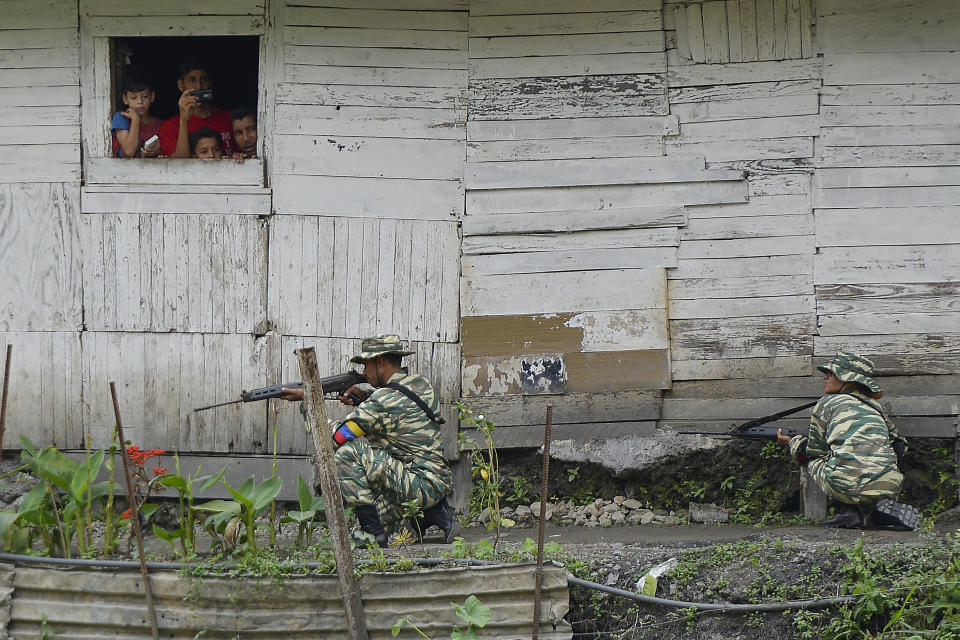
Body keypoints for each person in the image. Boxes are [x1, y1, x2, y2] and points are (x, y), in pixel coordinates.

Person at [280, 335, 457, 547]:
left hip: (418, 483)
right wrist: (364, 399)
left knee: (347, 453)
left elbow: (334, 439)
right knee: (388, 522)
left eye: (366, 365)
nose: (364, 373)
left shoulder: (381, 402)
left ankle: (373, 535)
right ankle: (434, 513)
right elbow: (398, 413)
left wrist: (308, 402)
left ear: (380, 362)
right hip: (435, 479)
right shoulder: (419, 384)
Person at [778, 351, 920, 530]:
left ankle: (847, 513)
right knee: (849, 458)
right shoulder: (876, 407)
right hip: (890, 484)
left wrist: (792, 443)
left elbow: (814, 450)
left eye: (832, 373)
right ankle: (877, 509)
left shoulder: (827, 403)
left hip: (846, 484)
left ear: (849, 379)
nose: (825, 376)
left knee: (814, 460)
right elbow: (900, 446)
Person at [157, 59, 236, 158]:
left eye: (204, 79)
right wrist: (184, 120)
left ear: (210, 83)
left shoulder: (230, 119)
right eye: (192, 80)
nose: (199, 86)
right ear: (180, 85)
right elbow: (179, 165)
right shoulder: (169, 127)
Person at [111, 68, 162, 158]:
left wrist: (156, 152)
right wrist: (135, 120)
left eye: (145, 96)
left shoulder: (160, 124)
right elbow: (129, 151)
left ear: (152, 97)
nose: (139, 101)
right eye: (133, 97)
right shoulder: (121, 118)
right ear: (125, 99)